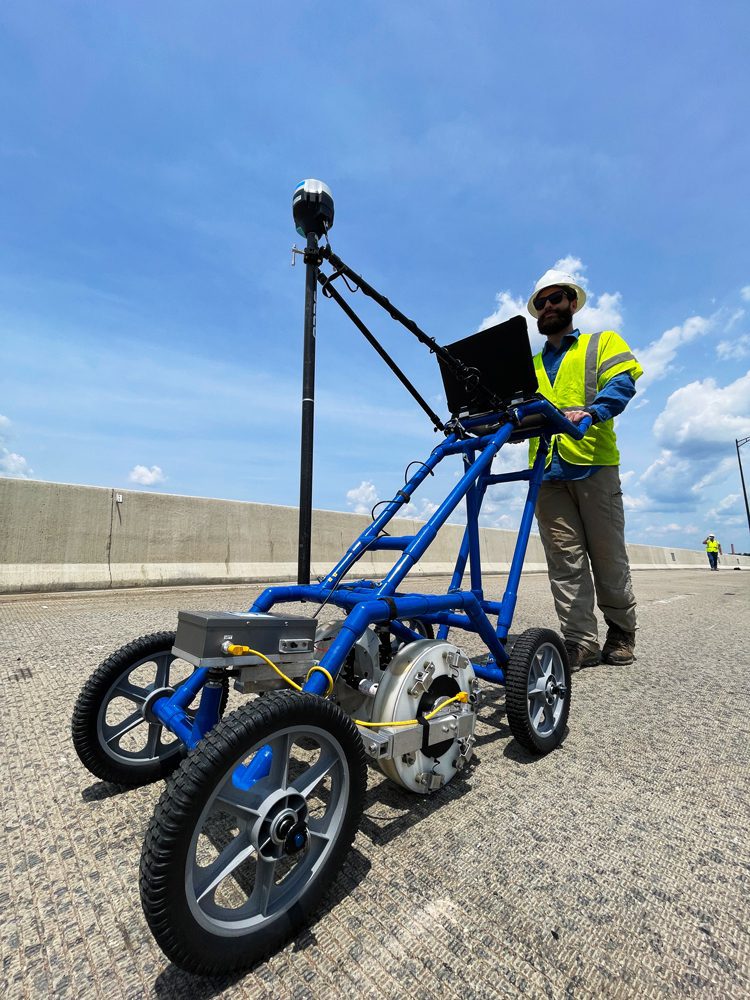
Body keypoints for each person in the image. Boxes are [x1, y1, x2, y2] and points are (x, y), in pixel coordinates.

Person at [526, 268, 644, 671]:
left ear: (572, 303)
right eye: (540, 303)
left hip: (593, 462)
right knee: (565, 561)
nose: (547, 308)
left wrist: (593, 412)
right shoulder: (530, 365)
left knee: (607, 555)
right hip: (547, 471)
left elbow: (622, 383)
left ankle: (622, 631)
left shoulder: (601, 343)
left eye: (555, 299)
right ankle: (581, 641)